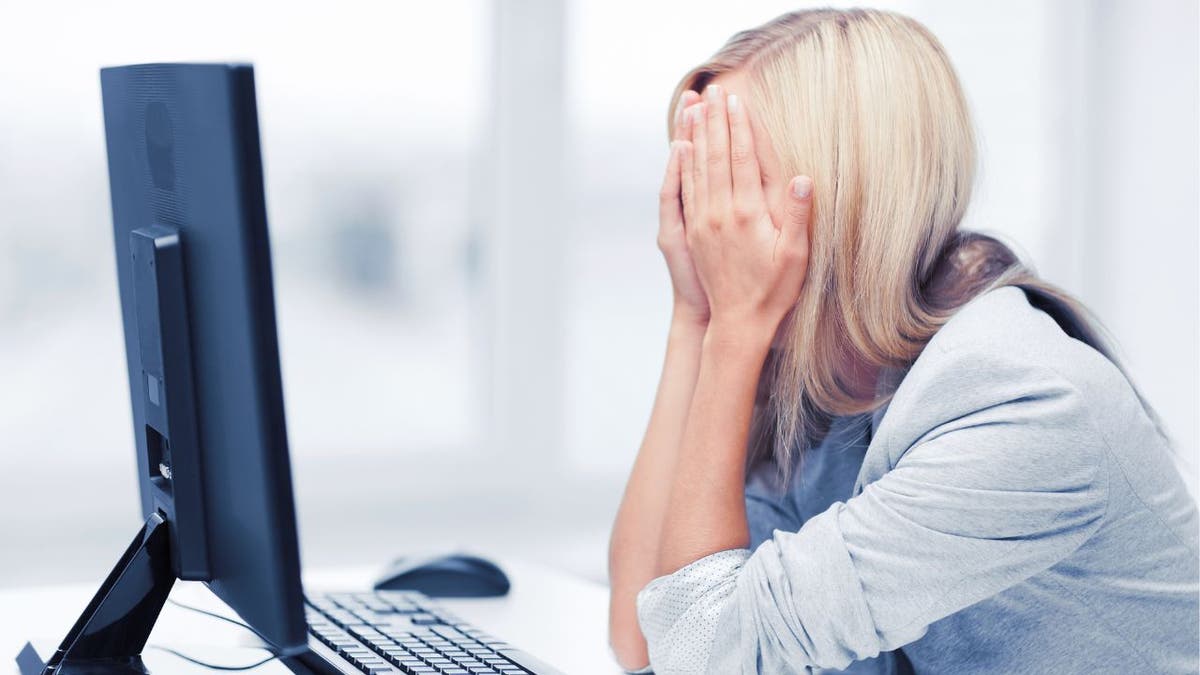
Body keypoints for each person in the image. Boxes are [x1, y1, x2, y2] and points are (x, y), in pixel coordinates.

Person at [606, 8, 1200, 674]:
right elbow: (642, 634)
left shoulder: (1020, 402)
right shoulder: (828, 378)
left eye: (735, 181)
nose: (706, 218)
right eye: (697, 179)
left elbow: (702, 650)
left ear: (848, 191)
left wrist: (734, 329)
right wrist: (697, 316)